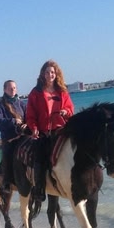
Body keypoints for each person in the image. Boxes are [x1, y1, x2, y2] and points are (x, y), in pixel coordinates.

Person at [25, 60, 74, 200]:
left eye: (52, 72)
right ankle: (39, 189)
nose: (50, 75)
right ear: (43, 74)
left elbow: (70, 108)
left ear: (56, 74)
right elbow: (30, 114)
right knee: (40, 156)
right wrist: (34, 128)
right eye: (47, 72)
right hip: (44, 132)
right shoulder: (35, 92)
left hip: (61, 129)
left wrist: (66, 111)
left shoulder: (62, 91)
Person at [0, 80, 27, 190]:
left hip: (23, 135)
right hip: (10, 138)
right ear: (5, 90)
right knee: (7, 154)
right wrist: (12, 121)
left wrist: (26, 124)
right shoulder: (1, 106)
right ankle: (7, 181)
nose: (13, 90)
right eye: (10, 88)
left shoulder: (21, 104)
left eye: (14, 88)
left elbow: (28, 116)